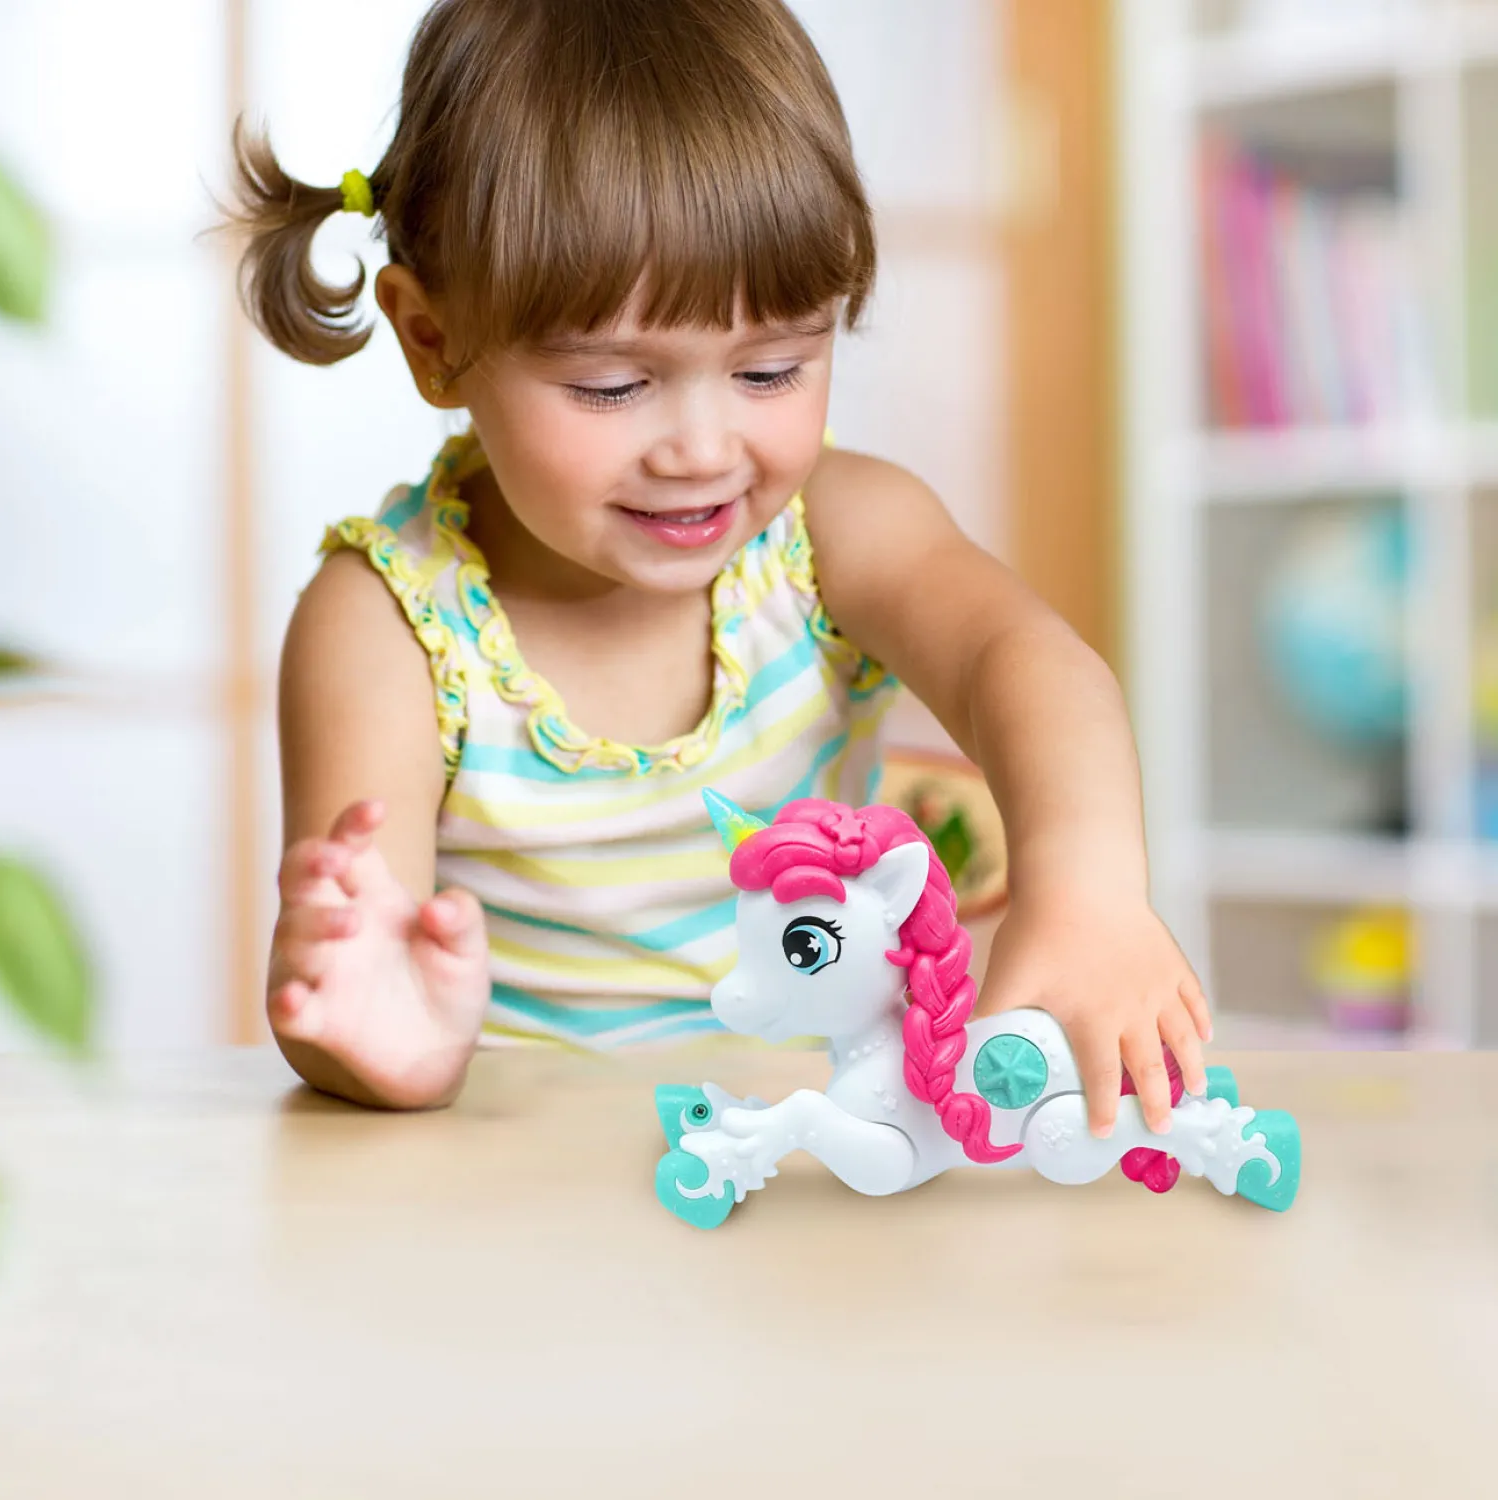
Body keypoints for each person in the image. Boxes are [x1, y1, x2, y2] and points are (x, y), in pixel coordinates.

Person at [228, 0, 1212, 1129]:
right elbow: (363, 994)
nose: (701, 450)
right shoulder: (388, 625)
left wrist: (1086, 885)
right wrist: (380, 1043)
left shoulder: (833, 532)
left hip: (819, 1163)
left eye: (771, 370)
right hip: (514, 1184)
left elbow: (1025, 660)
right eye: (612, 385)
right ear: (433, 339)